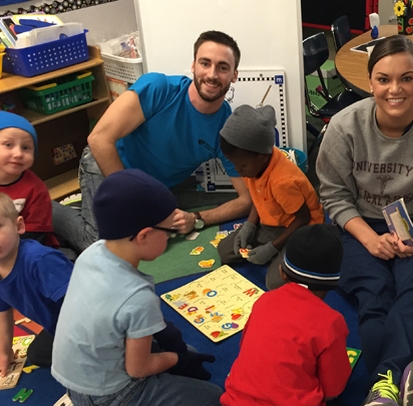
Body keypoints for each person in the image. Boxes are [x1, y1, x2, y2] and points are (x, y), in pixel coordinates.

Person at [317, 35, 413, 406]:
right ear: (370, 83)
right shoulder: (344, 127)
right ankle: (393, 386)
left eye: (406, 78)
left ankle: (385, 386)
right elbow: (334, 196)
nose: (395, 89)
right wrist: (368, 239)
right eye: (384, 79)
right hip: (359, 224)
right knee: (374, 293)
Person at [52, 30, 252, 253]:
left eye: (223, 67)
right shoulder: (159, 88)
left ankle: (93, 207)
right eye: (205, 63)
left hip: (153, 186)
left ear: (234, 75)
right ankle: (44, 208)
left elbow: (246, 199)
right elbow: (99, 139)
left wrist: (197, 218)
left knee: (152, 238)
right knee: (101, 245)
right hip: (107, 163)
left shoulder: (226, 127)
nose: (212, 74)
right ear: (193, 66)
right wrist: (133, 201)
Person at [51, 169, 221, 406]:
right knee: (213, 397)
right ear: (144, 236)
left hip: (73, 379)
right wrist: (176, 358)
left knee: (181, 352)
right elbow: (138, 368)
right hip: (110, 394)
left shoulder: (91, 254)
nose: (171, 237)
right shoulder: (137, 296)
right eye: (169, 233)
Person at [221, 224, 350, 405]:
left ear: (281, 272)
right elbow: (333, 389)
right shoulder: (331, 322)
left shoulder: (263, 301)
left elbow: (244, 347)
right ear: (333, 283)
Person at [216, 105, 324, 289]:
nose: (237, 170)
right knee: (225, 251)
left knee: (275, 283)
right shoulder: (253, 167)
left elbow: (303, 218)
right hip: (273, 222)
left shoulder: (283, 181)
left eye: (241, 165)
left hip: (301, 229)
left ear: (262, 157)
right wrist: (249, 225)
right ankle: (275, 248)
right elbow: (259, 199)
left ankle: (289, 252)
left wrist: (273, 246)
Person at [0, 192, 72, 372]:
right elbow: (3, 312)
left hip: (89, 321)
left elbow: (82, 305)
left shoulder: (39, 261)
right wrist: (4, 351)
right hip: (59, 327)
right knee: (37, 354)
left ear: (19, 226)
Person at [0, 111, 59, 247]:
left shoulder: (35, 189)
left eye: (26, 148)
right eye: (8, 145)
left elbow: (36, 234)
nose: (18, 153)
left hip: (23, 246)